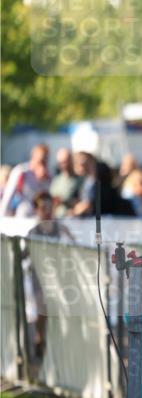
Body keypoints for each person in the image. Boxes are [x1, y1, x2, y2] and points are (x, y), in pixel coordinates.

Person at [24, 192, 75, 360]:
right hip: (39, 276)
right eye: (43, 208)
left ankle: (54, 343)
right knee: (42, 310)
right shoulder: (33, 231)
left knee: (56, 309)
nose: (47, 211)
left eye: (49, 207)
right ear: (37, 210)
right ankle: (40, 338)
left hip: (57, 276)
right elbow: (24, 254)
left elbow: (73, 244)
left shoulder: (59, 227)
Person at [1, 144, 51, 217]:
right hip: (23, 216)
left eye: (45, 161)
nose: (43, 164)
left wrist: (42, 181)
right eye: (41, 160)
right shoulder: (21, 171)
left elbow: (45, 200)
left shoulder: (47, 175)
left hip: (39, 218)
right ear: (33, 157)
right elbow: (7, 198)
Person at [48, 148, 81, 215]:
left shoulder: (81, 179)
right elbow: (52, 200)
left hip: (76, 220)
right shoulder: (56, 180)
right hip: (59, 218)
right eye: (62, 162)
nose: (65, 165)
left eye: (67, 161)